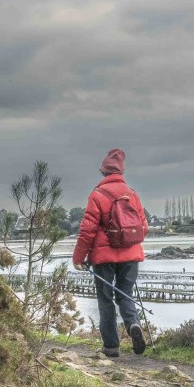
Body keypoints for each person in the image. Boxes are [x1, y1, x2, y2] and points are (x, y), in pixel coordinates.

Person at [73, 148, 149, 357]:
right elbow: (143, 227)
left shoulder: (97, 195)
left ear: (103, 172)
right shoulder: (132, 195)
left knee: (105, 299)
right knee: (126, 294)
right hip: (130, 255)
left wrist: (78, 257)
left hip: (103, 258)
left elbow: (87, 229)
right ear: (121, 172)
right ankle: (133, 324)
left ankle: (111, 346)